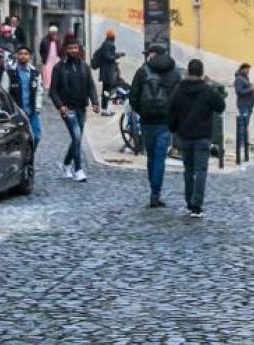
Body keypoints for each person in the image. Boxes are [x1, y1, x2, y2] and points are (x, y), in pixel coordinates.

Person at [167, 59, 226, 218]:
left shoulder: (179, 89)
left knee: (188, 170)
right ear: (201, 73)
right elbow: (220, 106)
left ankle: (188, 202)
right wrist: (211, 85)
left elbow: (171, 109)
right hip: (203, 136)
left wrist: (173, 128)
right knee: (201, 170)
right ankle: (197, 205)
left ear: (188, 72)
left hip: (185, 135)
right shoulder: (207, 90)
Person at [129, 43, 182, 207]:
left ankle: (154, 189)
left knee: (151, 156)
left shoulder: (142, 71)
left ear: (152, 54)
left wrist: (142, 112)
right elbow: (179, 97)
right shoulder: (174, 72)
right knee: (160, 157)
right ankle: (155, 193)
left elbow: (133, 97)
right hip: (165, 122)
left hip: (147, 121)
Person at [49, 35, 100, 181]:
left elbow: (91, 86)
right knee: (77, 136)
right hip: (67, 108)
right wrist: (60, 106)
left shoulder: (84, 66)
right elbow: (53, 91)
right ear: (66, 49)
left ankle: (65, 164)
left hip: (81, 107)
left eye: (75, 48)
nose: (73, 50)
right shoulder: (59, 67)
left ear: (79, 49)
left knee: (76, 138)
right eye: (70, 48)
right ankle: (78, 169)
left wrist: (95, 102)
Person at [9, 45, 43, 146]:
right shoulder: (11, 73)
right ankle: (24, 160)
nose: (23, 56)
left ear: (30, 57)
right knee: (19, 139)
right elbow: (5, 92)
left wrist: (38, 107)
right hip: (17, 112)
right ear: (17, 56)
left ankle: (29, 156)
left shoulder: (34, 73)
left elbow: (39, 91)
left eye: (26, 54)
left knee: (36, 136)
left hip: (32, 111)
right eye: (21, 54)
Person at [92, 29, 125, 115]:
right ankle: (104, 109)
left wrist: (116, 56)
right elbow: (109, 57)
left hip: (105, 71)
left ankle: (105, 108)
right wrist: (118, 55)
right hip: (108, 73)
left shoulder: (105, 44)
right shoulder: (109, 44)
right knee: (106, 91)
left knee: (106, 91)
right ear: (113, 36)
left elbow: (108, 56)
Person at [234, 63, 254, 156]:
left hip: (248, 105)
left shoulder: (245, 78)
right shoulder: (239, 79)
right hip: (244, 105)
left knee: (245, 124)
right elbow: (239, 92)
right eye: (247, 69)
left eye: (249, 70)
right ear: (242, 69)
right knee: (243, 124)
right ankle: (242, 143)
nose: (248, 71)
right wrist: (251, 89)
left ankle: (244, 141)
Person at [39, 25, 62, 90]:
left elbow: (60, 51)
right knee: (47, 78)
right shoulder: (44, 40)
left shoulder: (58, 41)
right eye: (52, 33)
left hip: (56, 61)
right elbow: (41, 50)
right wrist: (44, 57)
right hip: (47, 61)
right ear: (49, 33)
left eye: (55, 33)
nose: (54, 34)